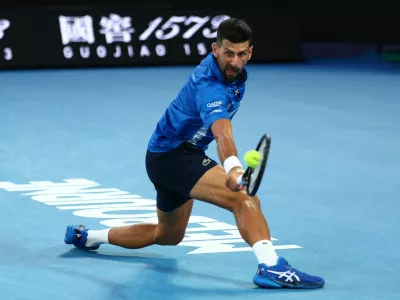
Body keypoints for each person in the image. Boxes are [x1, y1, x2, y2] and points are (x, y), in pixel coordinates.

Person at [64, 18, 325, 289]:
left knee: (168, 235)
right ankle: (271, 266)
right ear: (215, 49)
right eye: (228, 53)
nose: (234, 62)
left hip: (165, 157)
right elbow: (223, 132)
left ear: (250, 53)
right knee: (244, 198)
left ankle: (89, 237)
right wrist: (234, 168)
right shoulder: (208, 86)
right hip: (174, 157)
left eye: (240, 54)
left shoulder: (234, 74)